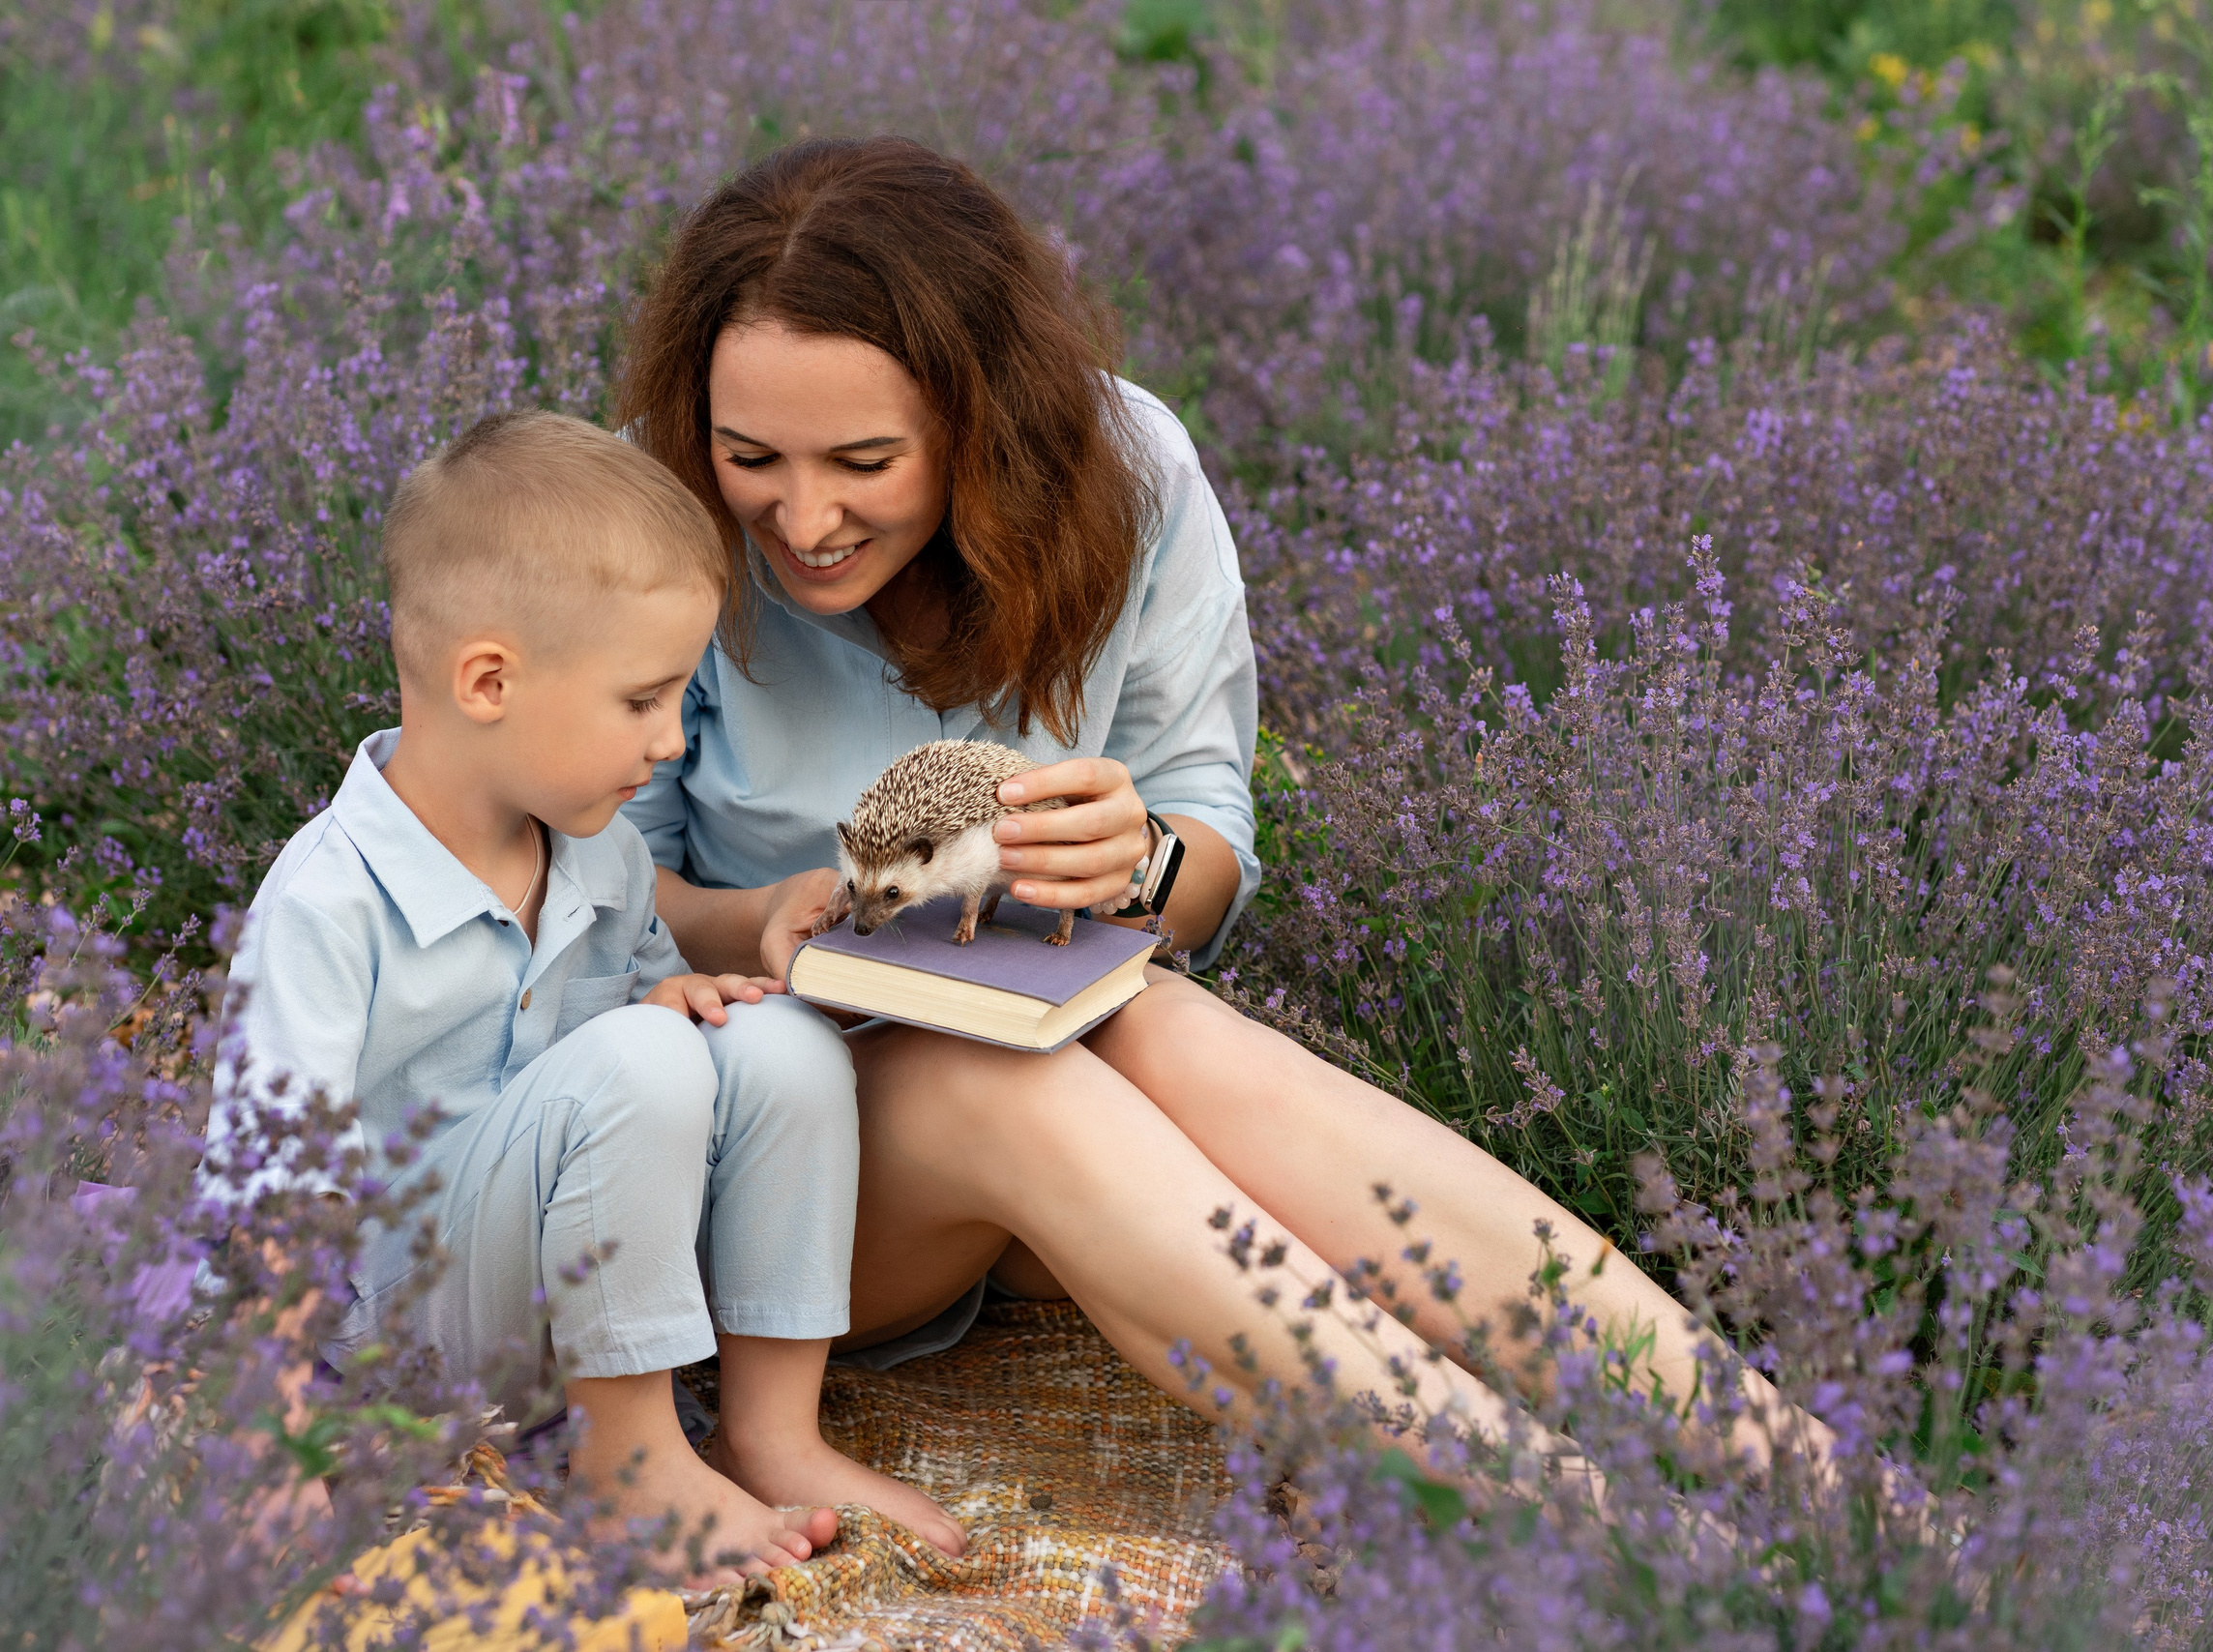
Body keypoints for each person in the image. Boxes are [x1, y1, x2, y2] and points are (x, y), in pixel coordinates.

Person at [620, 138, 1834, 1477]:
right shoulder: (642, 513)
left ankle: (1803, 1477)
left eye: (864, 461)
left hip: (1052, 1104)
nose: (802, 517)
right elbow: (582, 903)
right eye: (752, 458)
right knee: (998, 1080)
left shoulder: (1121, 466)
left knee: (1168, 1028)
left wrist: (1135, 865)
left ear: (979, 425)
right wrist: (765, 923)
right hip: (763, 1168)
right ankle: (1577, 1535)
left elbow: (1206, 823)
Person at [206, 410, 965, 1581]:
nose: (669, 742)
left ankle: (770, 1427)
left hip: (566, 1274)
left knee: (777, 1038)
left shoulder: (597, 850)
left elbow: (647, 1012)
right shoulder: (327, 905)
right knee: (643, 1057)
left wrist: (696, 997)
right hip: (400, 1322)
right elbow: (274, 1190)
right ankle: (630, 1464)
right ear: (490, 681)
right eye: (642, 700)